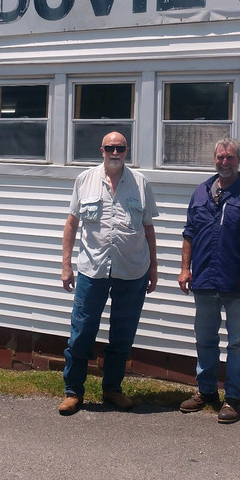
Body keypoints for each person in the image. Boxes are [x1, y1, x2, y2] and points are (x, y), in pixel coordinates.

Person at [58, 131, 159, 415]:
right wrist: (66, 265)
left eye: (121, 148)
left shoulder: (141, 183)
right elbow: (71, 225)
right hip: (93, 270)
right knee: (81, 332)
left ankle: (112, 389)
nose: (115, 153)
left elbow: (148, 228)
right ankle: (73, 392)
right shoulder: (85, 180)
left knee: (122, 334)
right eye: (110, 148)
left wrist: (154, 268)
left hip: (132, 271)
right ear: (101, 150)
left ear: (127, 151)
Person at [178, 138, 240, 423]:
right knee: (205, 339)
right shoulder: (201, 192)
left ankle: (234, 397)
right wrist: (185, 269)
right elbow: (189, 233)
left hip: (236, 282)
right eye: (220, 157)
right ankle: (206, 391)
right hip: (204, 279)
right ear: (215, 159)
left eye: (230, 157)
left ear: (238, 160)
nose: (224, 162)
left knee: (238, 342)